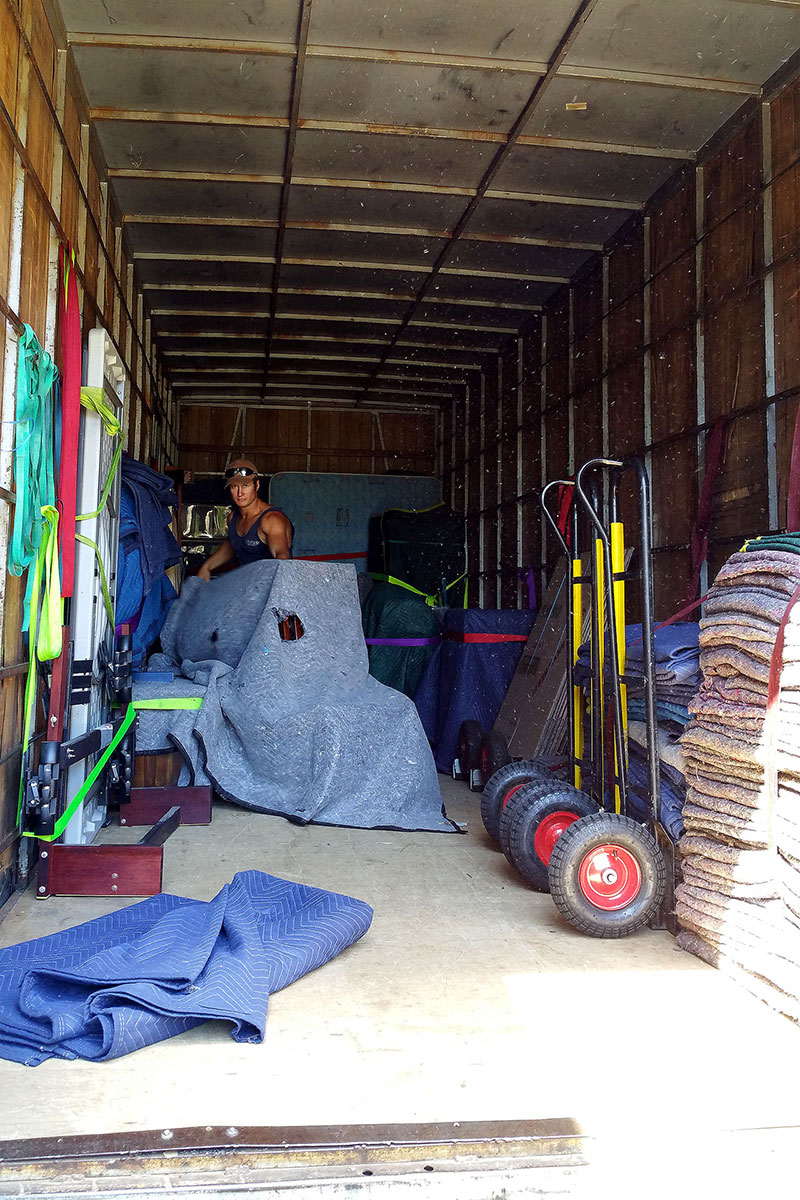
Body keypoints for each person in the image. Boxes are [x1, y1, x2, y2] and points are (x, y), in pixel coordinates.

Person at [197, 459, 293, 581]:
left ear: (256, 485)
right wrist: (207, 567)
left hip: (268, 586)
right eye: (234, 487)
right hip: (244, 586)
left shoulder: (271, 519)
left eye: (245, 486)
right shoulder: (233, 518)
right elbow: (233, 543)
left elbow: (282, 556)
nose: (240, 493)